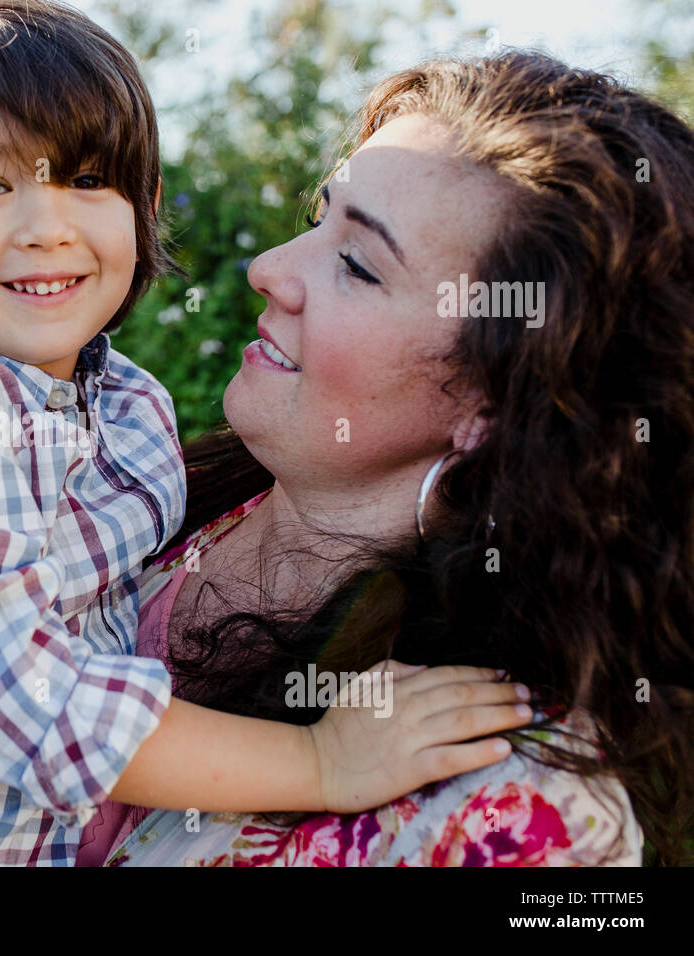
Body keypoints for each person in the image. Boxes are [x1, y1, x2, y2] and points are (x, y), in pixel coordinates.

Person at [0, 0, 530, 866]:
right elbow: (31, 700)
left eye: (89, 180)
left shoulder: (127, 405)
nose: (48, 226)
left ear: (145, 204)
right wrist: (321, 760)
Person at [90, 50, 694, 866]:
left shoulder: (511, 814)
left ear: (503, 403)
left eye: (357, 265)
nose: (268, 271)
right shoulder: (124, 488)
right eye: (320, 215)